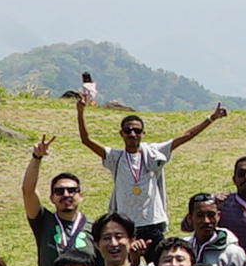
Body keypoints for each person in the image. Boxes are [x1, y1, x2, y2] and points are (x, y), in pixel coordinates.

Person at [75, 95, 227, 243]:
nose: (132, 134)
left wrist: (211, 118)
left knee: (160, 265)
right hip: (125, 224)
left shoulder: (154, 153)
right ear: (121, 133)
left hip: (152, 222)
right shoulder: (115, 157)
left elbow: (186, 136)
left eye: (137, 131)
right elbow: (86, 140)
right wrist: (80, 112)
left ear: (143, 134)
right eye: (128, 130)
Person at [21, 141, 96, 266]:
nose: (66, 195)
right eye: (59, 191)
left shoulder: (94, 228)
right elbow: (28, 190)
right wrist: (36, 157)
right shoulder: (43, 222)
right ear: (51, 198)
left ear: (81, 196)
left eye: (72, 191)